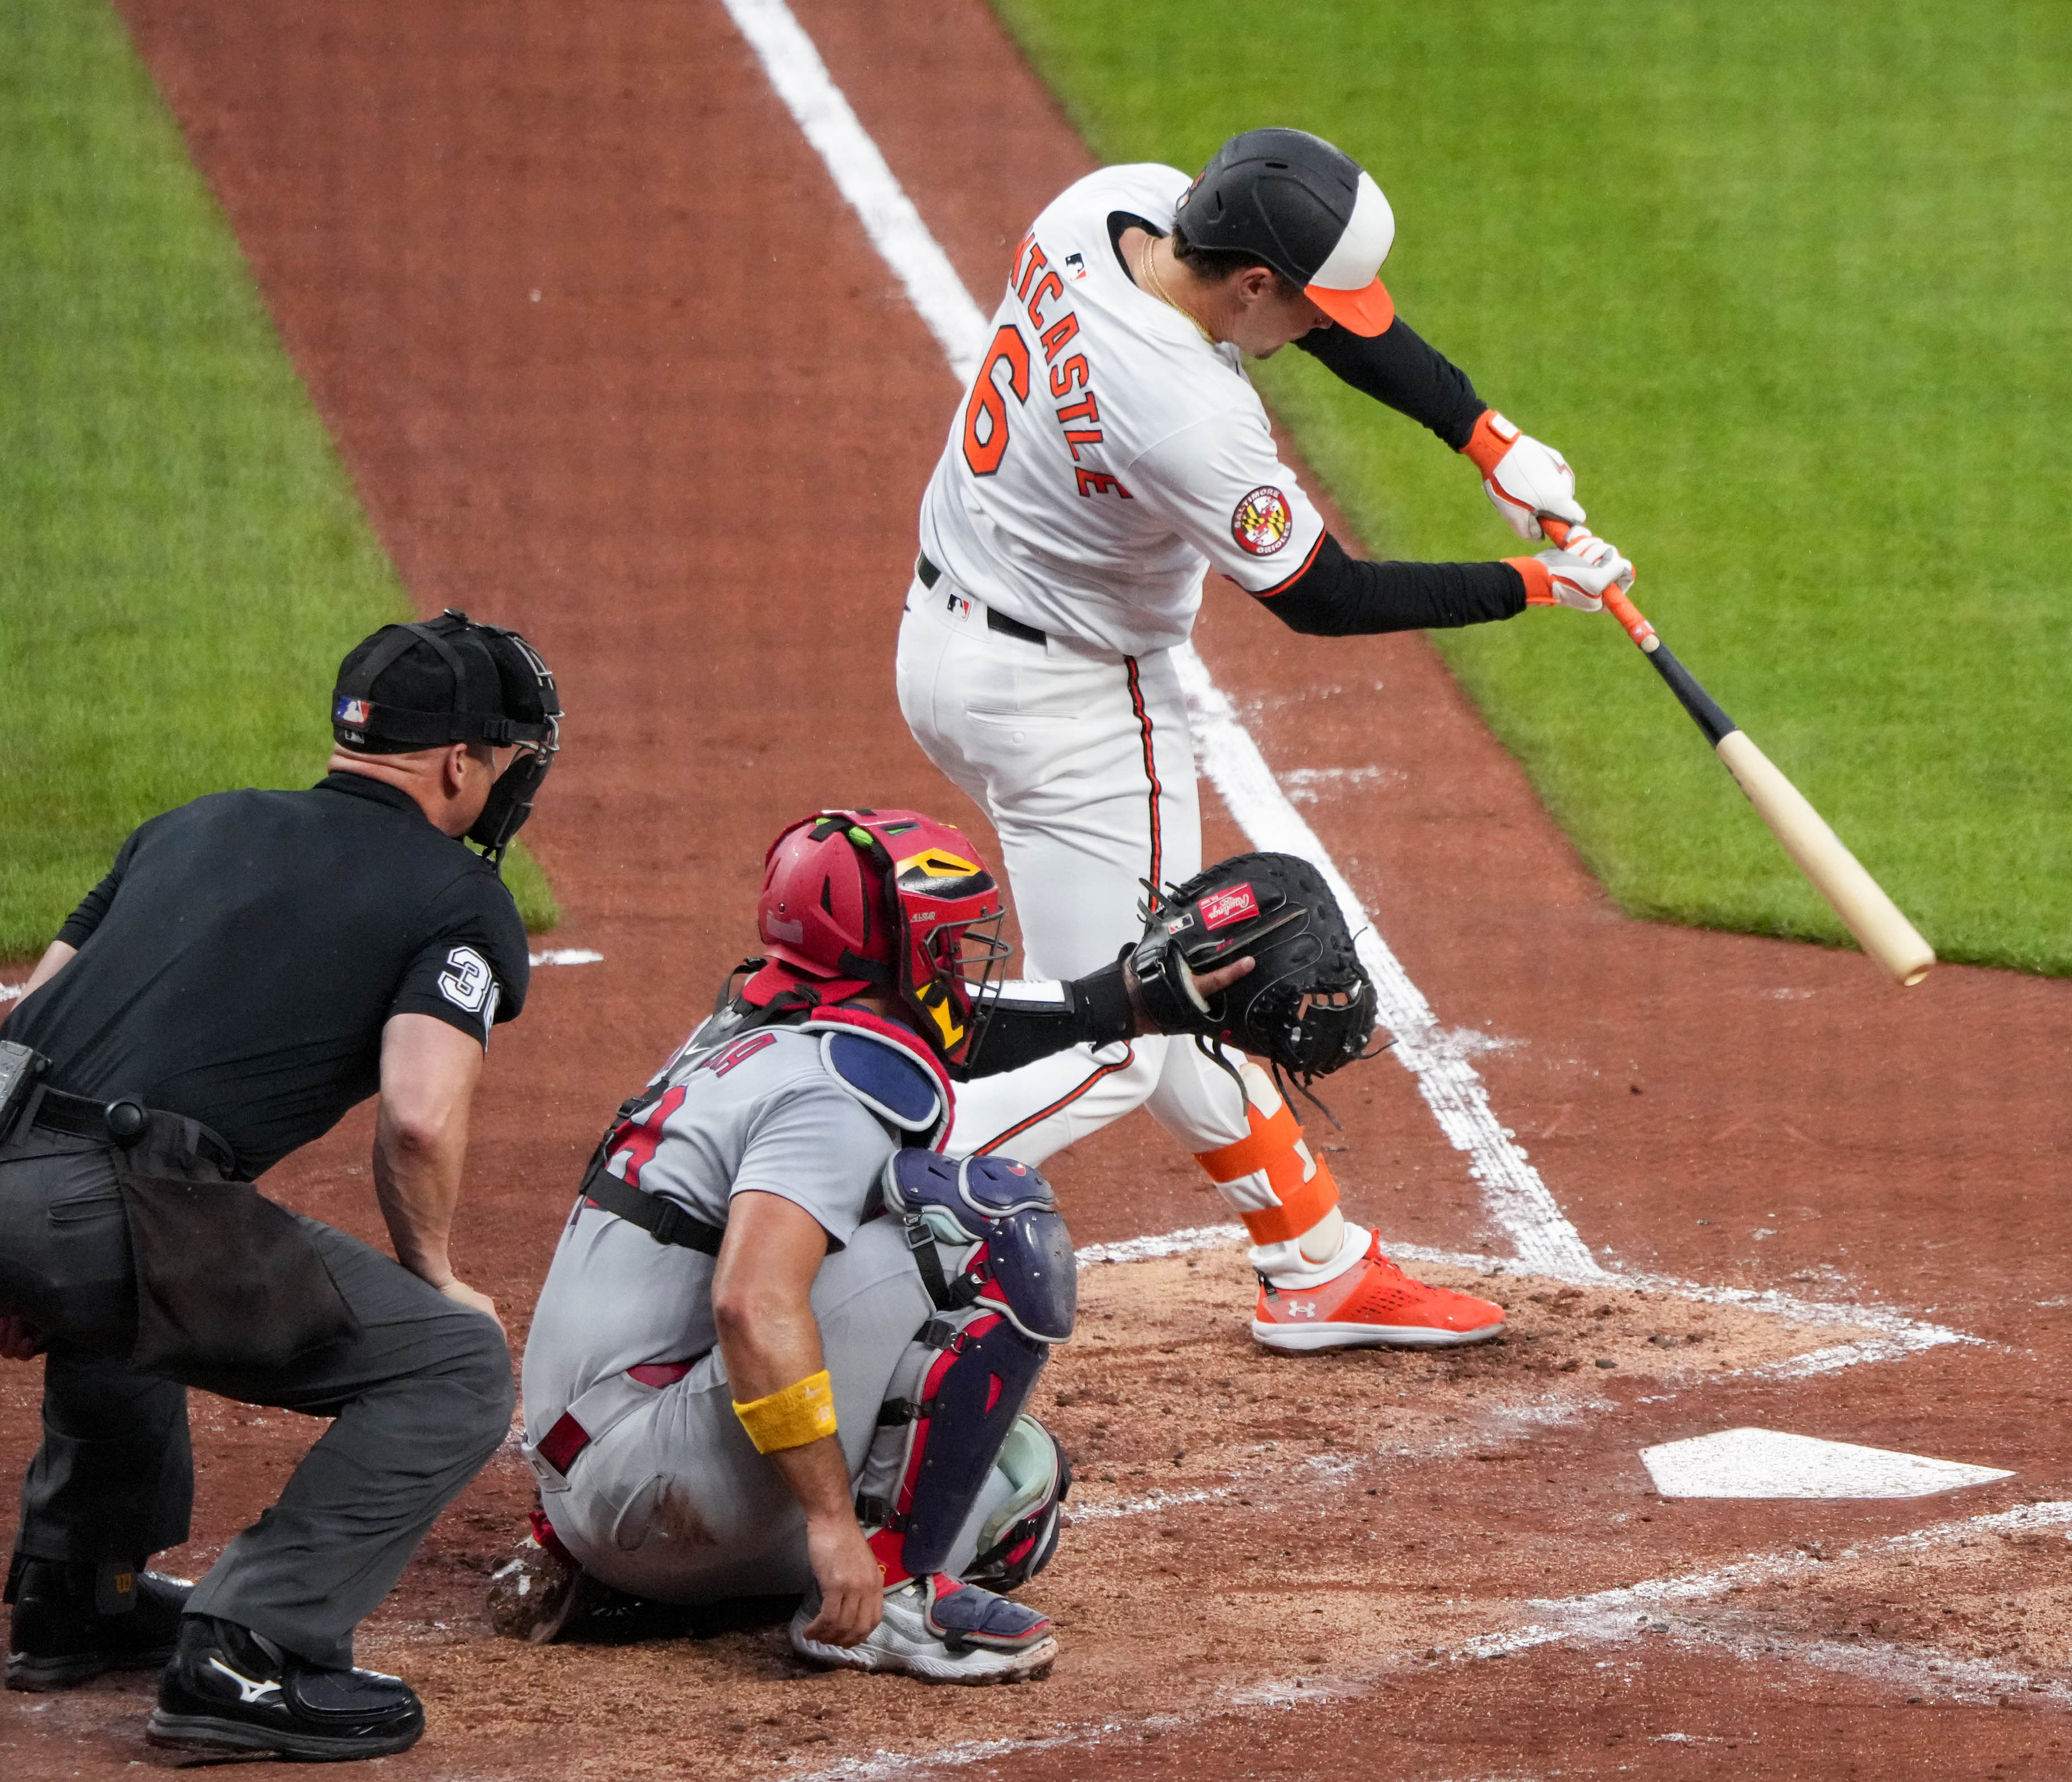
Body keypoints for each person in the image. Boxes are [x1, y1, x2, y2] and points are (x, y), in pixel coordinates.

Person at [896, 127, 1635, 1351]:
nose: (1317, 326)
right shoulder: (1184, 412)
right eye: (1302, 305)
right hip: (1074, 708)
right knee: (1123, 1032)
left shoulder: (1111, 204)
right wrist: (1533, 584)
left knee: (1182, 981)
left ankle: (1317, 1259)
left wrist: (1486, 439)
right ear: (1250, 285)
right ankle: (826, 1189)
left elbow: (1340, 323)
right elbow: (1320, 597)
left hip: (948, 635)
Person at [0, 611, 561, 1762]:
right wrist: (438, 1273)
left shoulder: (191, 824)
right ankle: (252, 1650)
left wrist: (17, 1224)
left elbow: (30, 1018)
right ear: (460, 763)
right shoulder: (455, 895)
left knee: (151, 1260)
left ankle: (81, 1594)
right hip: (96, 1197)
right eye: (512, 755)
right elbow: (419, 1112)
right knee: (454, 1363)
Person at [503, 808, 1264, 1683]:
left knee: (1017, 1474)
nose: (965, 956)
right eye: (946, 940)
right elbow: (751, 1303)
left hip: (589, 1485)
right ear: (893, 952)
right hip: (652, 1492)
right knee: (993, 1227)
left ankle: (623, 1577)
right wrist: (831, 1523)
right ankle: (895, 1597)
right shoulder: (832, 1091)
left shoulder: (757, 1019)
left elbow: (955, 1034)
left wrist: (1121, 1003)